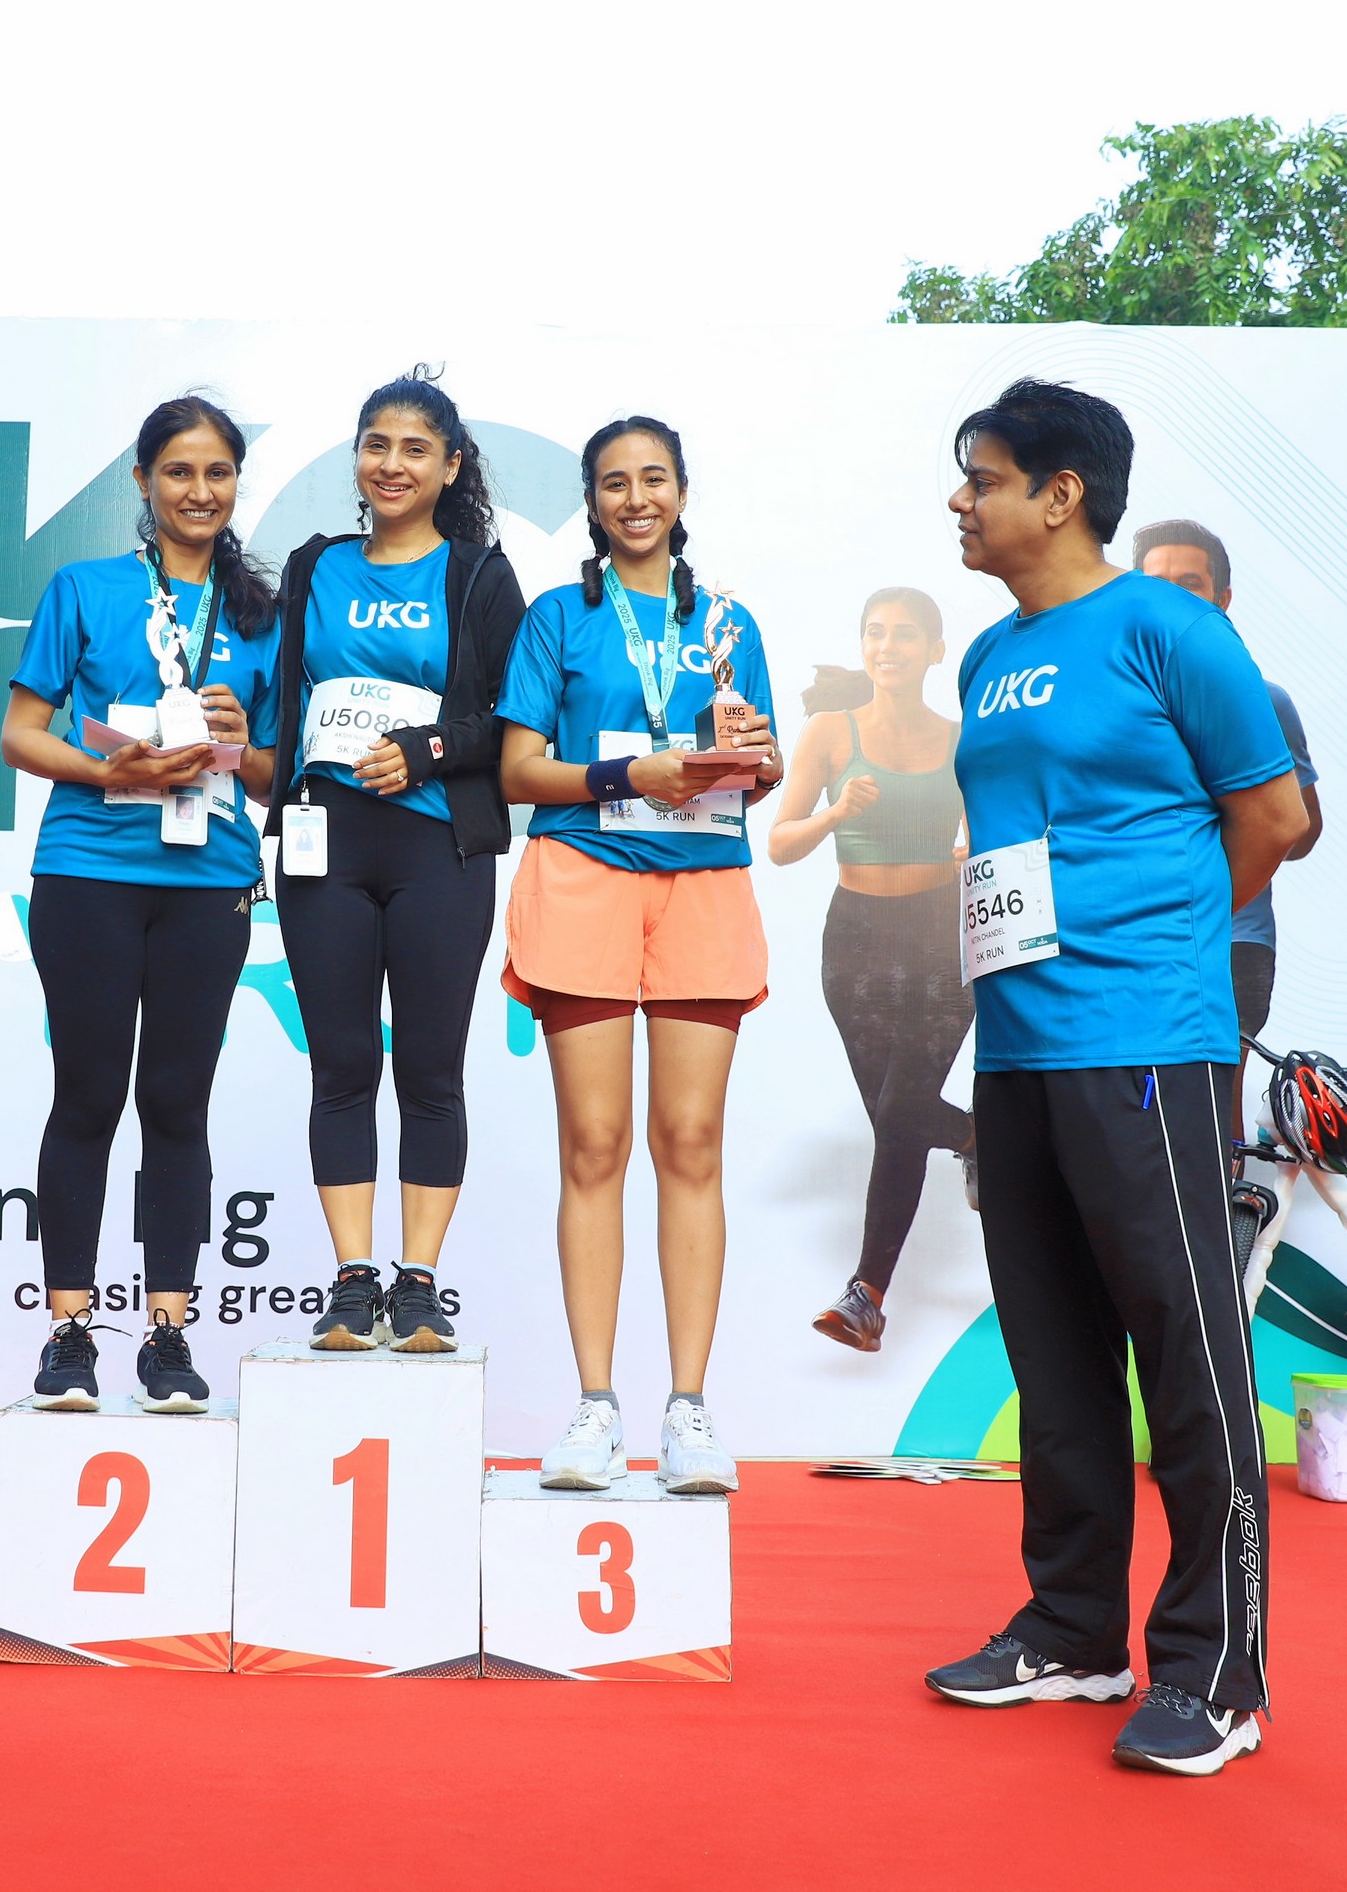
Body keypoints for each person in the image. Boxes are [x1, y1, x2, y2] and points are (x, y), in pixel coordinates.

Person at [920, 379, 1306, 1780]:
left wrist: (1165, 942)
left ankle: (1218, 1671)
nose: (962, 500)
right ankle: (1073, 1629)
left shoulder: (1168, 628)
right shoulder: (989, 655)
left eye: (983, 477)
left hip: (1145, 1038)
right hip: (1017, 1042)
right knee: (1056, 1353)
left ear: (1061, 493)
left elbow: (1276, 815)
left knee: (1186, 1351)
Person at [497, 415, 781, 1496]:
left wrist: (754, 760)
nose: (635, 499)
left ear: (682, 492)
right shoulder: (558, 618)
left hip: (702, 879)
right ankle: (595, 1404)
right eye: (613, 483)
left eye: (653, 478)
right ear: (591, 502)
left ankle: (689, 1408)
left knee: (692, 1141)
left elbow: (761, 765)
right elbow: (519, 769)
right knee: (594, 1143)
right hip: (583, 875)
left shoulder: (729, 622)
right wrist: (630, 776)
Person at [5, 396, 279, 1411]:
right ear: (143, 480)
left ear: (235, 482)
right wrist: (108, 771)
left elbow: (276, 776)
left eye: (217, 473)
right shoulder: (83, 588)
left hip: (209, 880)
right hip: (89, 872)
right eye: (179, 472)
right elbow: (19, 734)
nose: (199, 491)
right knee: (87, 1095)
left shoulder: (263, 616)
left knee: (176, 1103)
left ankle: (168, 1335)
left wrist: (242, 740)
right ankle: (68, 1331)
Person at [266, 373, 524, 1354]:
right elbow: (283, 698)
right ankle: (351, 1278)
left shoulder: (479, 575)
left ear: (451, 466)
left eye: (415, 449)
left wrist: (430, 748)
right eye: (376, 444)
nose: (392, 464)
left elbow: (515, 720)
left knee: (428, 1067)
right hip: (322, 845)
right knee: (339, 1065)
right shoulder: (315, 566)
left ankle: (418, 1284)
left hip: (436, 846)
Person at [767, 587, 974, 1353]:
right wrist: (834, 813)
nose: (889, 646)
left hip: (942, 935)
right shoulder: (832, 730)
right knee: (899, 1116)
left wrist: (971, 838)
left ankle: (866, 1295)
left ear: (935, 651)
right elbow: (780, 843)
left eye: (906, 635)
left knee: (899, 1113)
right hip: (855, 940)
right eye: (876, 633)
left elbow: (990, 825)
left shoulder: (962, 740)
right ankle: (984, 1137)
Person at [1130, 520, 1324, 1058]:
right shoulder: (1108, 703)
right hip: (1131, 940)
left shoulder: (1264, 701)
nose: (1173, 597)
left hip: (1234, 940)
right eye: (1157, 584)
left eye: (1190, 584)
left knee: (1215, 1094)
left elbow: (1303, 831)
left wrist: (1237, 817)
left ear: (1223, 599)